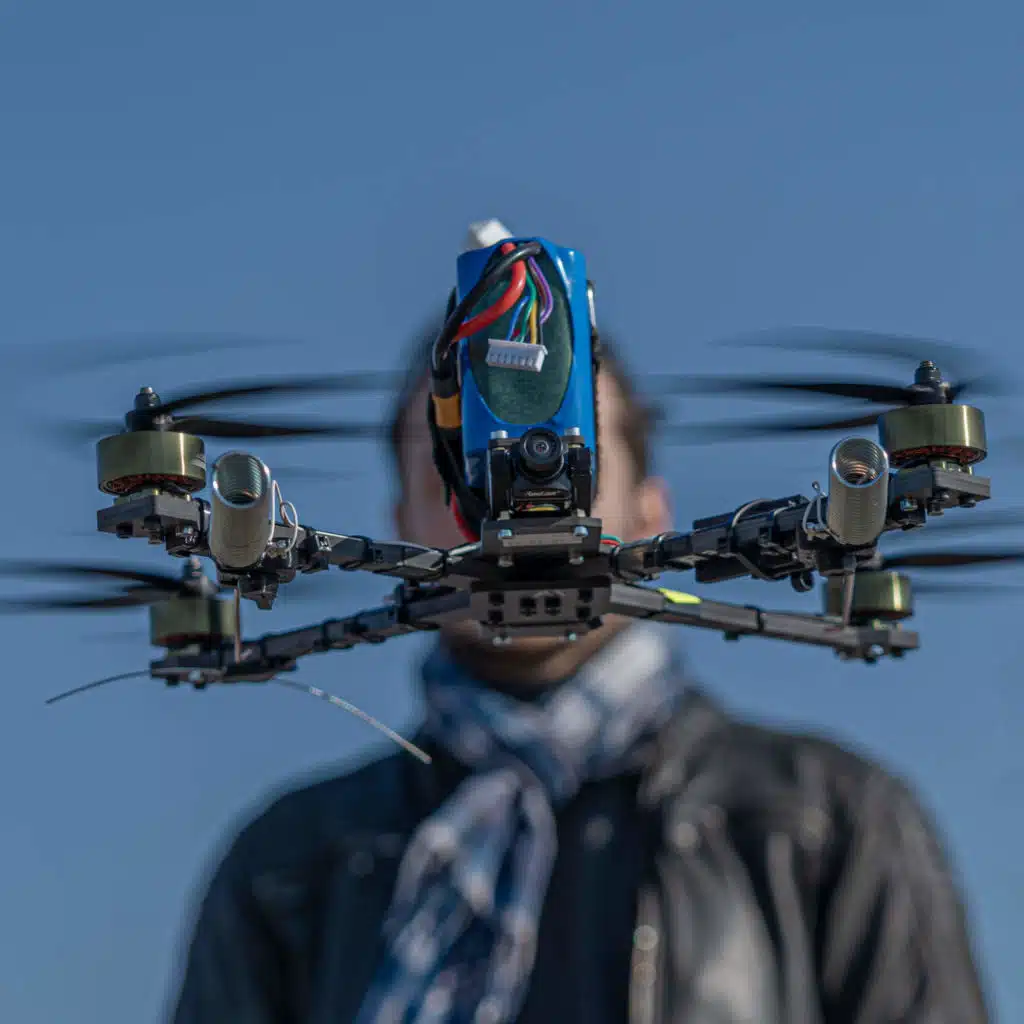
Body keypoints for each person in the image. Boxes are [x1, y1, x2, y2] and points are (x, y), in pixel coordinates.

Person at [168, 320, 991, 1023]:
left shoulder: (831, 824)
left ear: (652, 510)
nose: (513, 510)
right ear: (400, 525)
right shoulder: (286, 868)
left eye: (570, 466)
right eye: (458, 477)